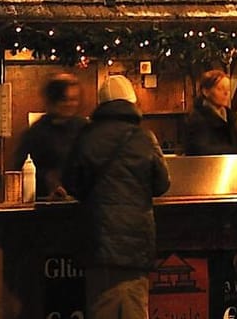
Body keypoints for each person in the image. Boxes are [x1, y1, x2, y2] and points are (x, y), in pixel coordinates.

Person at [63, 74, 170, 319]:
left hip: (99, 239)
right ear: (131, 102)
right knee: (134, 308)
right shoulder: (145, 138)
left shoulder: (86, 137)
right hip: (136, 242)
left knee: (102, 308)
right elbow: (162, 184)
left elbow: (72, 182)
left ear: (102, 104)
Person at [12, 72, 85, 197]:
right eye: (65, 100)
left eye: (74, 99)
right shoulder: (35, 133)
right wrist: (47, 179)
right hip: (46, 205)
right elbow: (19, 170)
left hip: (81, 203)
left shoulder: (84, 128)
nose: (71, 104)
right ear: (52, 101)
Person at [179, 69, 237, 160]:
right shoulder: (198, 119)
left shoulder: (230, 117)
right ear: (206, 91)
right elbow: (200, 149)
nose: (226, 93)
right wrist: (235, 152)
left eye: (228, 89)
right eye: (220, 89)